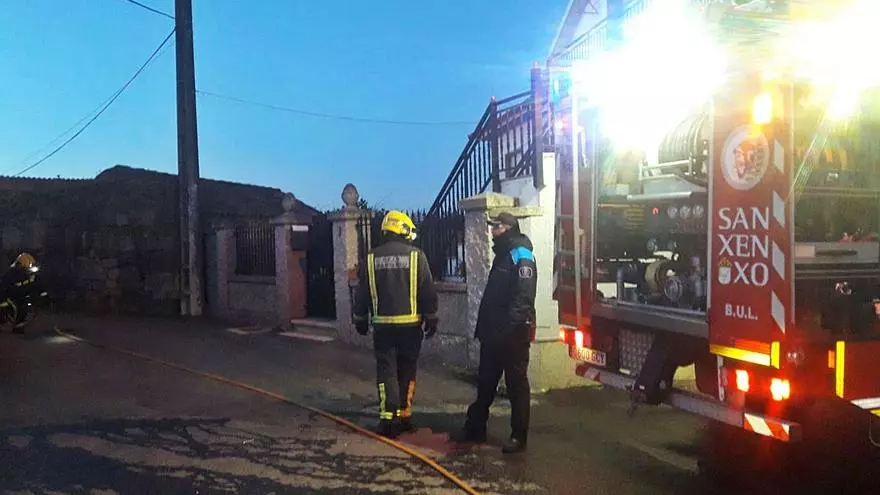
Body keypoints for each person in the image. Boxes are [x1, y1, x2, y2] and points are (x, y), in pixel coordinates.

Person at [352, 210, 439, 438]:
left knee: (386, 370)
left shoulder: (370, 258)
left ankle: (387, 419)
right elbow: (428, 290)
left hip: (382, 326)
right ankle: (405, 416)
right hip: (411, 326)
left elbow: (361, 293)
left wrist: (360, 319)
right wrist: (431, 317)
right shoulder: (417, 256)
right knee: (407, 369)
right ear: (403, 230)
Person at [455, 212, 537, 454]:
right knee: (486, 383)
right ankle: (476, 427)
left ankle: (518, 436)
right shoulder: (503, 253)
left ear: (508, 228)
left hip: (512, 334)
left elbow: (523, 298)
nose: (492, 231)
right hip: (494, 333)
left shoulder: (521, 254)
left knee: (516, 386)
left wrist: (506, 329)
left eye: (497, 226)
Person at [0, 252, 38, 333]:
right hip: (7, 297)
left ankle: (17, 325)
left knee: (23, 306)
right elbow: (6, 287)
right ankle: (16, 325)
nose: (29, 269)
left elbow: (30, 286)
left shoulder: (26, 274)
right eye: (28, 266)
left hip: (15, 296)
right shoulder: (13, 274)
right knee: (19, 307)